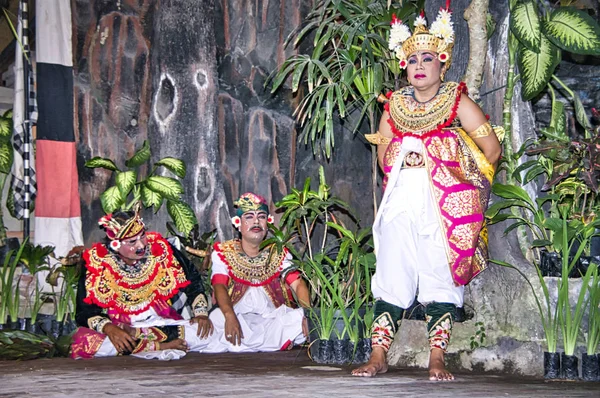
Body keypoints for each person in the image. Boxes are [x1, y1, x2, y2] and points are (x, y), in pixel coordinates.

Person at [352, 7, 501, 380]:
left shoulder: (456, 101)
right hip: (403, 196)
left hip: (443, 203)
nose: (419, 65)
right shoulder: (394, 106)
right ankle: (378, 355)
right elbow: (386, 159)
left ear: (442, 63)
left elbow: (492, 151)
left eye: (428, 58)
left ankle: (437, 358)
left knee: (439, 274)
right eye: (412, 59)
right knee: (391, 270)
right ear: (405, 66)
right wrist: (408, 153)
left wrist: (464, 185)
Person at [71, 207, 213, 360]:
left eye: (143, 236)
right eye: (132, 241)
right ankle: (161, 346)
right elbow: (84, 312)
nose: (141, 245)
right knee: (88, 343)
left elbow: (192, 279)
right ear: (115, 244)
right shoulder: (97, 262)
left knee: (206, 334)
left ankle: (144, 344)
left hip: (161, 324)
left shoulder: (161, 248)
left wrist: (201, 314)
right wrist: (109, 328)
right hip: (122, 328)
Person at [192, 192, 310, 352]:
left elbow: (298, 284)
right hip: (236, 319)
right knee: (215, 319)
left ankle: (259, 342)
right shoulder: (224, 253)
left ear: (268, 222)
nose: (256, 221)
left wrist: (307, 315)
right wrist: (229, 315)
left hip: (271, 320)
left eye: (261, 216)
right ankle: (272, 342)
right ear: (237, 223)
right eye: (249, 217)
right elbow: (219, 286)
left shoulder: (279, 252)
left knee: (296, 319)